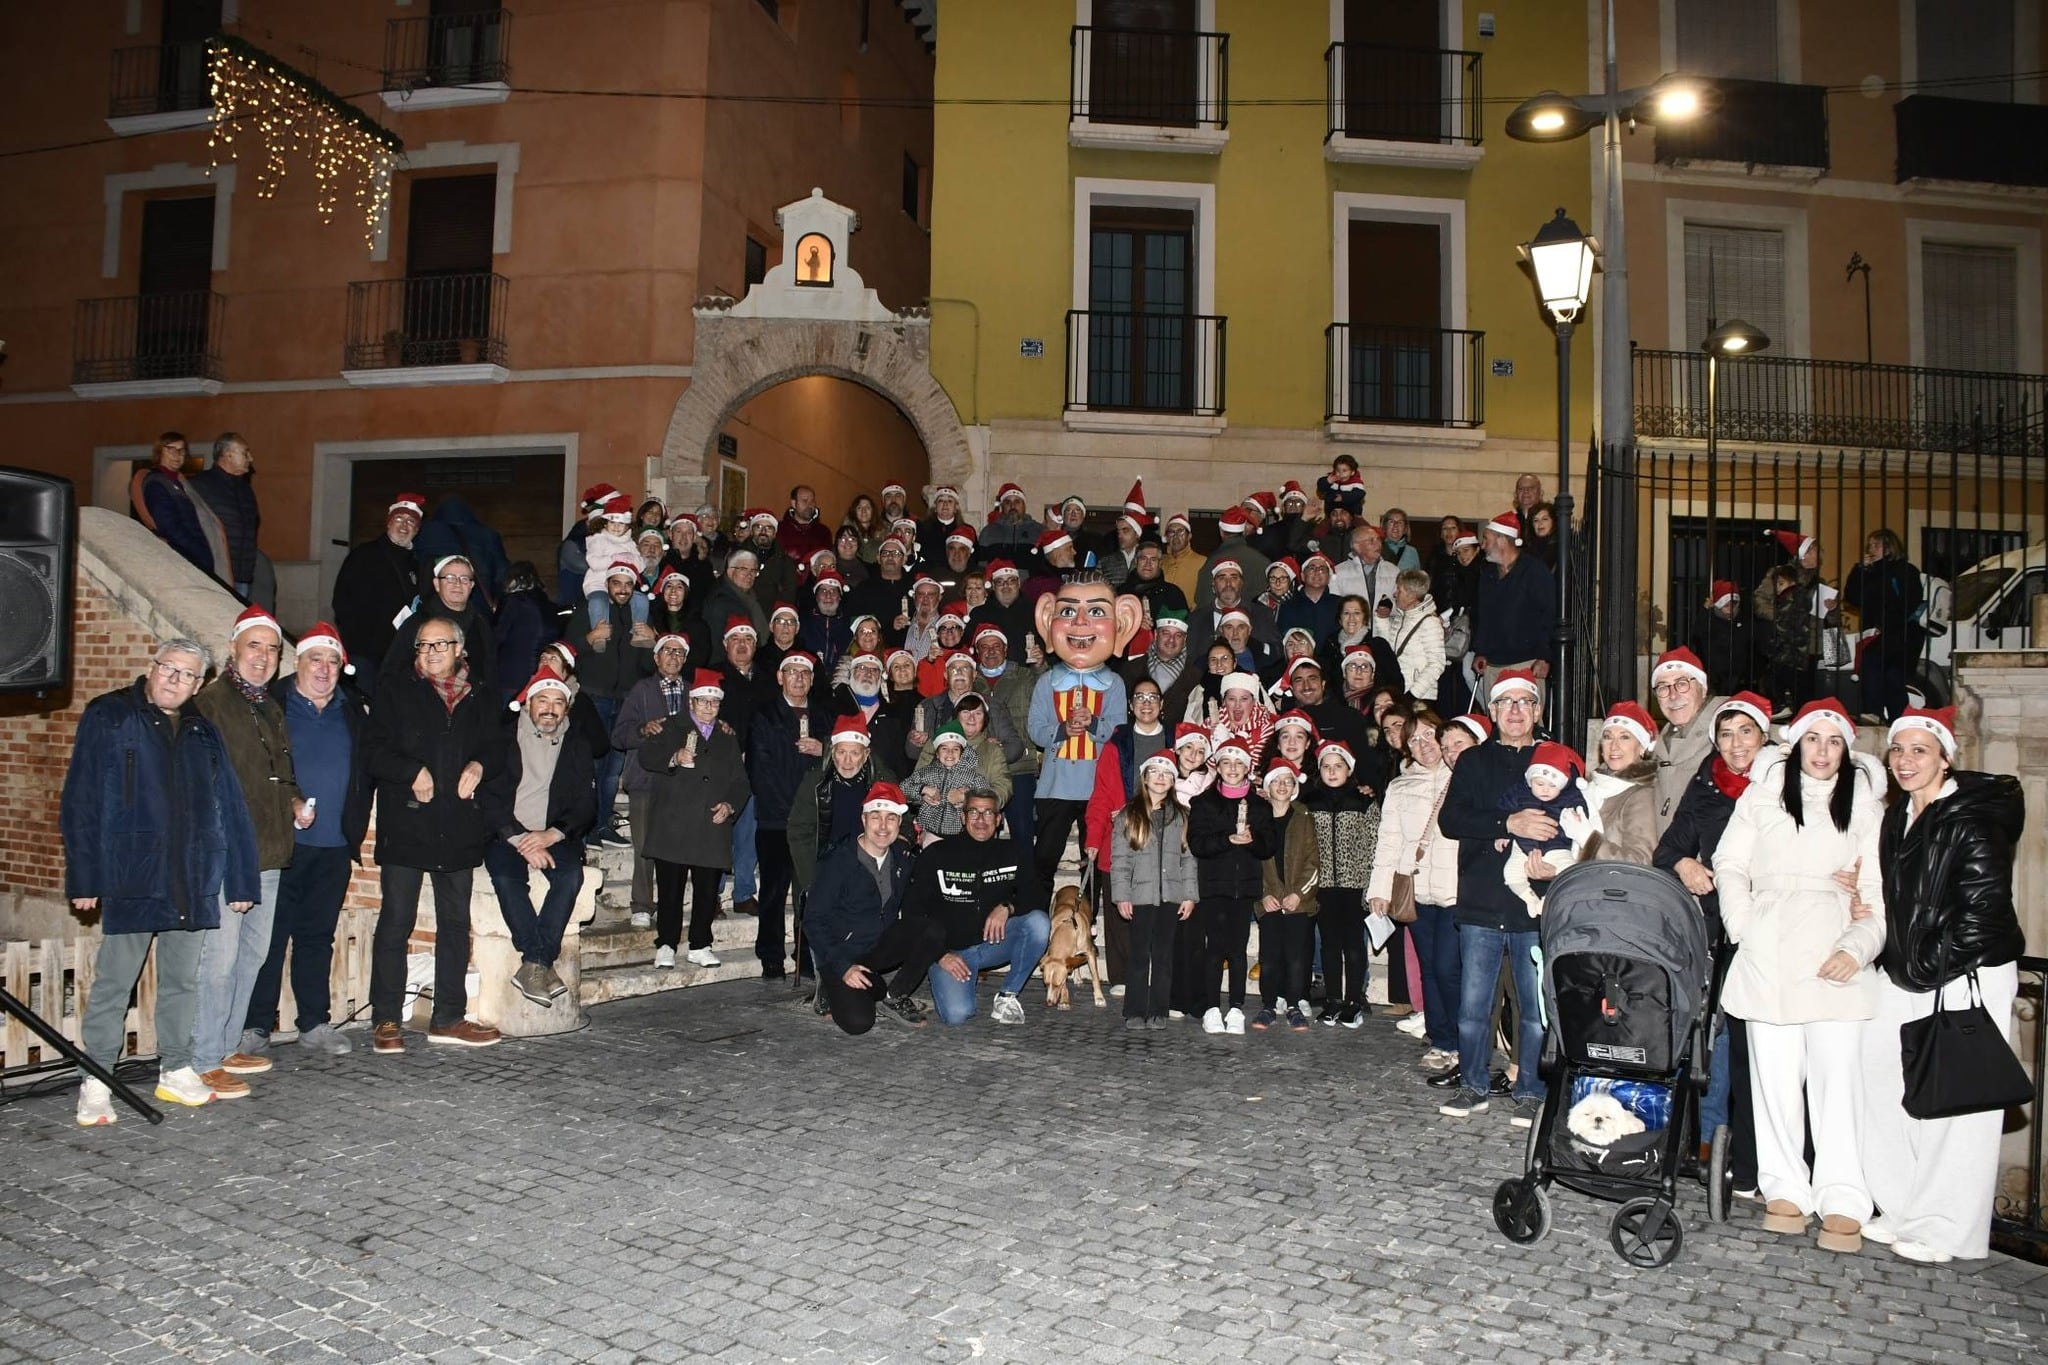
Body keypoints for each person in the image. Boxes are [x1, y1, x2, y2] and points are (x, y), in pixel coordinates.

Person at [1713, 698, 1886, 1254]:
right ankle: (1784, 1186)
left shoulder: (1866, 807)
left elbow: (1879, 892)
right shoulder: (1762, 797)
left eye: (1834, 741)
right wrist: (1742, 922)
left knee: (1838, 1084)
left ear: (1846, 749)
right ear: (1796, 744)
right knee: (1774, 1079)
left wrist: (1857, 948)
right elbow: (1729, 862)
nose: (1823, 751)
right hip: (1769, 945)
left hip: (1833, 946)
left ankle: (1843, 1195)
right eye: (1814, 739)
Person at [67, 639, 260, 1122]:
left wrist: (240, 881)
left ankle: (175, 1069)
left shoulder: (202, 732)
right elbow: (82, 798)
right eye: (168, 669)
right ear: (151, 669)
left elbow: (231, 808)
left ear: (200, 684)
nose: (175, 681)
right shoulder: (110, 715)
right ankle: (96, 1078)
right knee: (115, 982)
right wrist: (84, 875)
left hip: (191, 875)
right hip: (132, 873)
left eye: (188, 675)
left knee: (181, 983)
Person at [1861, 707, 2028, 1264]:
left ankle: (1948, 1228)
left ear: (1945, 758)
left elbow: (1985, 911)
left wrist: (1931, 961)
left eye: (1919, 751)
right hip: (1907, 972)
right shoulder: (1897, 817)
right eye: (1898, 750)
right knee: (1883, 1086)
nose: (1905, 761)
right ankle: (1903, 1205)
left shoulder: (1972, 818)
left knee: (1960, 1107)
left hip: (1964, 974)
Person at [363, 617, 507, 1054]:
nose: (429, 652)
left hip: (459, 824)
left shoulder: (481, 696)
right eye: (422, 645)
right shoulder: (394, 690)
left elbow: (498, 748)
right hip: (408, 821)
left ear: (460, 649)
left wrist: (480, 766)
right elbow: (372, 750)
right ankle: (386, 1017)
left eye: (439, 644)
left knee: (454, 923)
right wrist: (411, 771)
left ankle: (448, 1016)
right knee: (396, 921)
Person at [1653, 690, 1771, 1185]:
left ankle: (1739, 1152)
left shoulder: (1780, 784)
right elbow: (1668, 848)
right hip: (1710, 926)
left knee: (1744, 1046)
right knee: (1705, 1035)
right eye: (1726, 733)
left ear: (1765, 737)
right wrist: (1685, 864)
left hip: (1764, 928)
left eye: (1746, 732)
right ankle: (1698, 1139)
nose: (1735, 743)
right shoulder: (1706, 783)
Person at [189, 606, 306, 1099]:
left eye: (272, 648)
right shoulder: (210, 705)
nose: (262, 657)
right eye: (253, 646)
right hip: (228, 855)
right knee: (218, 960)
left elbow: (279, 774)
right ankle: (202, 1058)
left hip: (271, 852)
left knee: (252, 956)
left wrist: (295, 801)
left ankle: (228, 1041)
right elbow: (203, 787)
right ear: (233, 649)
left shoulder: (268, 706)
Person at [244, 623, 369, 1058]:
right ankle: (254, 1026)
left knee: (318, 937)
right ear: (295, 663)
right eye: (315, 659)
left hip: (334, 846)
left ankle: (313, 1022)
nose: (324, 669)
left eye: (333, 661)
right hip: (283, 845)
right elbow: (258, 773)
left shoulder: (352, 710)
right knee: (270, 938)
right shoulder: (271, 705)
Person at [1435, 670, 1548, 1124]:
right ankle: (1473, 1084)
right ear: (1494, 711)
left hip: (1532, 902)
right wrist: (1507, 824)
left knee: (1533, 1010)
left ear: (1537, 710)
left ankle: (1530, 1089)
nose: (1516, 711)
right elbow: (1452, 819)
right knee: (1473, 1007)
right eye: (1507, 703)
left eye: (1525, 702)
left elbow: (1573, 817)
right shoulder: (1473, 762)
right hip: (1481, 898)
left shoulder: (1555, 757)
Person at [485, 671, 598, 1005]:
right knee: (507, 878)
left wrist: (551, 834)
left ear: (566, 708)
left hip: (554, 834)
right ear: (529, 703)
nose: (550, 709)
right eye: (543, 701)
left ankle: (534, 963)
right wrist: (519, 839)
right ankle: (540, 963)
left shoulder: (576, 742)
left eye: (558, 702)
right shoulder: (502, 736)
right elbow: (489, 797)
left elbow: (586, 804)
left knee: (570, 876)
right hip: (505, 833)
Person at [1026, 570, 1136, 888]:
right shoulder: (1047, 681)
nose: (1080, 623)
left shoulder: (1114, 684)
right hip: (1055, 787)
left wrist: (1094, 724)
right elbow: (1035, 729)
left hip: (1096, 790)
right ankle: (1038, 916)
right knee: (1045, 857)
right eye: (1069, 611)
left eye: (1097, 611)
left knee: (1095, 859)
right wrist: (1061, 730)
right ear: (1048, 619)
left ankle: (1086, 921)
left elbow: (1119, 731)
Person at [805, 783, 943, 1033]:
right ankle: (831, 983)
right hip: (841, 951)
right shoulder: (837, 861)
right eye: (875, 817)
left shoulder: (902, 857)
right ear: (863, 819)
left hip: (878, 945)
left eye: (891, 818)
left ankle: (893, 995)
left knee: (932, 929)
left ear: (899, 823)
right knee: (858, 1023)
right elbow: (813, 920)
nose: (882, 826)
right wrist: (842, 966)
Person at [905, 789, 1050, 1025]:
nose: (981, 820)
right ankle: (951, 979)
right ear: (963, 817)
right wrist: (939, 954)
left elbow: (1037, 895)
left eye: (988, 813)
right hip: (951, 952)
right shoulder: (936, 855)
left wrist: (1007, 907)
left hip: (993, 942)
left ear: (999, 819)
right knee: (957, 1015)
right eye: (973, 812)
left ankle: (1007, 996)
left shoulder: (1012, 852)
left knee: (1038, 923)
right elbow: (912, 911)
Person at [640, 670, 752, 970]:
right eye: (702, 701)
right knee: (670, 890)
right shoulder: (669, 727)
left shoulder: (727, 737)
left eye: (713, 703)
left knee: (706, 891)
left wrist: (730, 805)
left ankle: (700, 943)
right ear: (691, 701)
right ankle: (666, 943)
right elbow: (646, 758)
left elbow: (740, 782)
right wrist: (674, 758)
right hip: (673, 823)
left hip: (711, 825)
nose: (708, 708)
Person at [1369, 714, 1457, 1064]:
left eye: (1429, 735)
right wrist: (1380, 888)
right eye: (1414, 740)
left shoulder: (1462, 777)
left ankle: (1465, 1039)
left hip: (1456, 892)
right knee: (1431, 967)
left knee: (1450, 967)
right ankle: (1442, 1038)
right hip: (1417, 890)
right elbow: (1387, 840)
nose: (1424, 745)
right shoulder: (1400, 786)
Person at [1187, 740, 1273, 1036]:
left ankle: (1236, 1007)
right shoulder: (1204, 803)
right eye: (1227, 763)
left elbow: (1268, 846)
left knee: (1237, 950)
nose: (1233, 769)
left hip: (1243, 887)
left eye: (1239, 764)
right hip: (1214, 886)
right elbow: (1198, 843)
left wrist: (1253, 841)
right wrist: (1226, 840)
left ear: (1248, 767)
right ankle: (1212, 1008)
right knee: (1214, 950)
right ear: (1218, 767)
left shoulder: (1261, 805)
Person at [1109, 752, 1199, 1029]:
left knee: (1163, 955)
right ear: (1145, 778)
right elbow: (1120, 860)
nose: (1160, 778)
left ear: (1173, 781)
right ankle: (1134, 1010)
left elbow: (1188, 858)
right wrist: (1122, 895)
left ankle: (1159, 1008)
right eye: (1155, 773)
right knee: (1139, 955)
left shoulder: (1182, 816)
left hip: (1170, 895)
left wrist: (1189, 895)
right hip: (1141, 895)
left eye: (1167, 774)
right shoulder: (1129, 815)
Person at [579, 560, 653, 848]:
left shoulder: (639, 619)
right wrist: (590, 638)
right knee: (594, 766)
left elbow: (648, 666)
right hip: (595, 697)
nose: (622, 589)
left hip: (625, 701)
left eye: (627, 584)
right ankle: (585, 827)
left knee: (613, 769)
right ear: (607, 585)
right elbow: (571, 649)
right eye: (616, 583)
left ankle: (601, 824)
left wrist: (650, 641)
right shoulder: (591, 612)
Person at [1253, 762, 1320, 1032]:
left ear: (1294, 787)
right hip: (1269, 901)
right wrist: (1262, 895)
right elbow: (1251, 863)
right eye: (1276, 781)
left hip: (1298, 902)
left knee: (1296, 957)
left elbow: (1313, 862)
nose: (1282, 786)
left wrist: (1298, 894)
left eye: (1287, 781)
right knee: (1269, 956)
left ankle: (1294, 1003)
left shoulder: (1303, 817)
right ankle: (1269, 1004)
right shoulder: (1258, 819)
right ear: (1267, 787)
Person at [333, 492, 424, 688]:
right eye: (399, 518)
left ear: (416, 530)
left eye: (410, 522)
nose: (403, 525)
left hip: (400, 655)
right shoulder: (364, 555)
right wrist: (356, 637)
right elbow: (342, 600)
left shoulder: (417, 564)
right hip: (365, 652)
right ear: (389, 523)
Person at [1469, 512, 1555, 710]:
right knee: (1497, 720)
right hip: (1492, 666)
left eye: (1486, 539)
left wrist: (1545, 657)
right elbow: (1483, 617)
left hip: (1526, 664)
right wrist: (1480, 651)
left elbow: (1548, 616)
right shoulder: (1488, 574)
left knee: (1527, 721)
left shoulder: (1535, 572)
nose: (1482, 545)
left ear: (1501, 540)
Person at [1499, 742, 1591, 919]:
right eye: (1539, 783)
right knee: (1510, 873)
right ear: (1529, 780)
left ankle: (1548, 901)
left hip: (1556, 846)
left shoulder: (1570, 797)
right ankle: (1530, 899)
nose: (1545, 790)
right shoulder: (1520, 792)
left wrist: (1577, 819)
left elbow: (1581, 812)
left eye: (1553, 785)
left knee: (1570, 873)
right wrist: (1503, 832)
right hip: (1523, 846)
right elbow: (1503, 810)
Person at [383, 553, 499, 691]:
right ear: (437, 584)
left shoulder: (480, 625)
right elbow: (391, 673)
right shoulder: (417, 624)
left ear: (471, 585)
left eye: (464, 579)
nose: (457, 584)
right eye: (450, 578)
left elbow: (490, 673)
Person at [1843, 528, 1924, 723]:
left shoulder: (1905, 571)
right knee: (1885, 676)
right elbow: (1852, 597)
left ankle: (1884, 715)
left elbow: (1909, 601)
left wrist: (1887, 620)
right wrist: (1860, 569)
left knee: (1888, 675)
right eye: (1870, 545)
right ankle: (1886, 716)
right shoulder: (1870, 574)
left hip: (1900, 635)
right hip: (1876, 634)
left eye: (1876, 545)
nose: (1871, 549)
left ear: (1889, 548)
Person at [1648, 646, 1726, 835]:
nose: (1673, 695)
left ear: (1703, 687)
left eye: (1682, 683)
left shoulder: (1726, 737)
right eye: (1663, 687)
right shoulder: (1657, 747)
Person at [135, 432, 230, 584]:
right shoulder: (157, 483)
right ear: (160, 451)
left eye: (182, 450)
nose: (177, 455)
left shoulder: (181, 483)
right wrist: (200, 551)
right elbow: (169, 526)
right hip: (184, 559)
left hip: (195, 557)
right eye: (172, 449)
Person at [1754, 530, 1829, 718]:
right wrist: (1782, 618)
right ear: (1803, 554)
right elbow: (1759, 600)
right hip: (1784, 643)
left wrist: (1832, 608)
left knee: (1805, 697)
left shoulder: (1819, 582)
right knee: (1779, 686)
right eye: (1814, 551)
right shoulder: (1780, 575)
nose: (1819, 555)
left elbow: (1826, 618)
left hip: (1810, 645)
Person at [187, 432, 262, 601]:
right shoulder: (201, 485)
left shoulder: (245, 490)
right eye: (245, 453)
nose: (250, 458)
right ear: (228, 455)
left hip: (243, 575)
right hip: (214, 574)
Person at [414, 494, 509, 609]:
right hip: (478, 606)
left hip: (435, 606)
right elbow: (502, 573)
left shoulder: (426, 533)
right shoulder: (487, 535)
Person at [494, 560, 562, 705]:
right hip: (541, 676)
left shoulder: (512, 602)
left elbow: (496, 637)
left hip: (511, 676)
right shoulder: (550, 606)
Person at [1376, 568, 1446, 702]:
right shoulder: (1402, 617)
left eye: (1399, 590)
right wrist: (1382, 618)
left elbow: (1437, 664)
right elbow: (1389, 650)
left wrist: (1413, 694)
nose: (1395, 594)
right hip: (1399, 691)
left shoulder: (1430, 622)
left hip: (1419, 698)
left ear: (1411, 595)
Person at [1196, 508, 1271, 610]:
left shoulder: (1212, 562)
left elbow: (1202, 600)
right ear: (1243, 531)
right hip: (1257, 622)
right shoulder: (1263, 561)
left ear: (1221, 532)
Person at [1693, 580, 1752, 698]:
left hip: (1738, 672)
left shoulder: (1743, 620)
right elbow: (1697, 633)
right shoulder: (1709, 620)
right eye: (1726, 606)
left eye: (1734, 605)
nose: (1731, 610)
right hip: (1715, 673)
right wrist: (1705, 611)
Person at [777, 484, 831, 568]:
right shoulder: (779, 530)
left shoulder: (823, 532)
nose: (809, 505)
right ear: (794, 503)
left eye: (812, 501)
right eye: (805, 501)